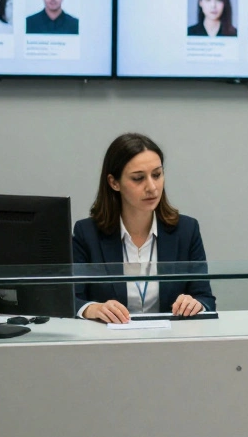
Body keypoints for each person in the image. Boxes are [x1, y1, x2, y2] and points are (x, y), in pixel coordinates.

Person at [72, 133, 216, 322]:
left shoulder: (187, 230)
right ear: (114, 183)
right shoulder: (87, 233)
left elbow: (206, 299)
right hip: (109, 343)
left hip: (169, 343)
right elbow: (71, 299)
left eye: (157, 175)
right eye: (138, 178)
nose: (152, 187)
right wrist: (92, 308)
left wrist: (196, 304)